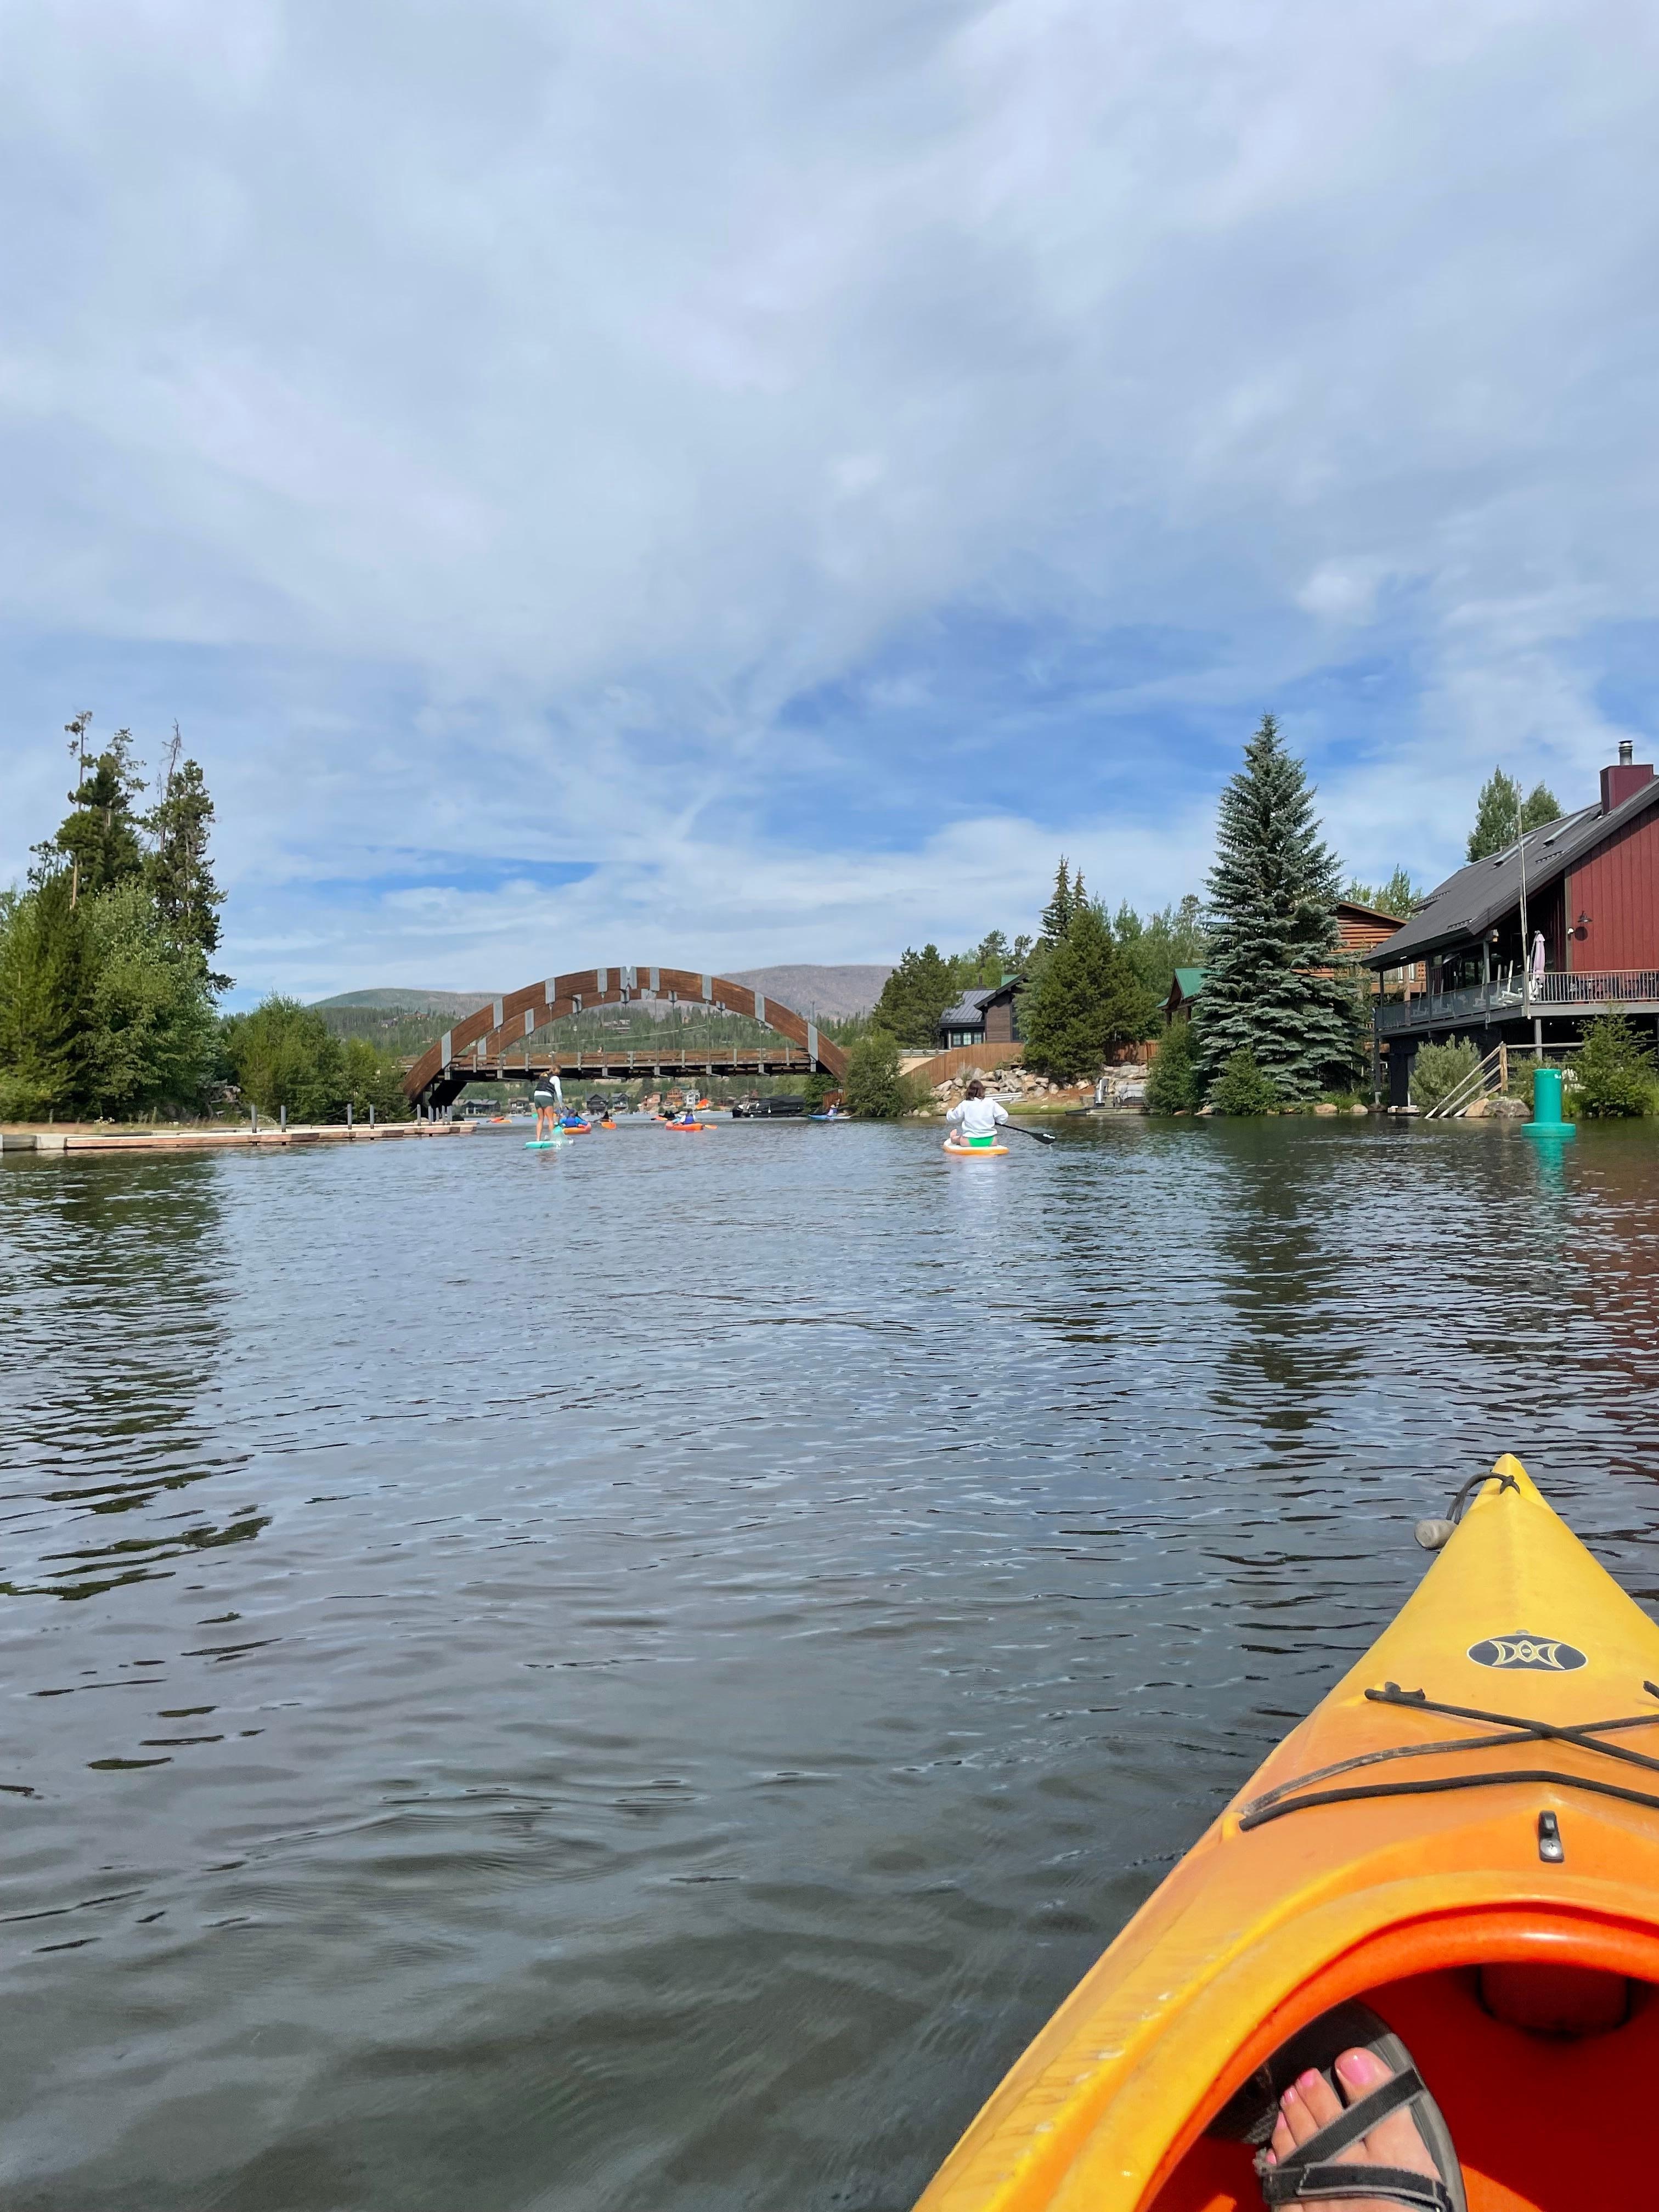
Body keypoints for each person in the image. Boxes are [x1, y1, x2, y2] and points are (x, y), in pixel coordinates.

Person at [945, 1080, 1009, 1148]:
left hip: (970, 1141)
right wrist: (997, 1121)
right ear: (982, 1091)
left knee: (959, 1139)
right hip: (991, 1141)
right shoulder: (990, 1102)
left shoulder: (965, 1104)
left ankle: (953, 1139)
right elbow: (1004, 1116)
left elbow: (953, 1119)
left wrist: (949, 1112)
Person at [531, 1076, 560, 1141]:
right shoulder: (556, 1078)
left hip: (536, 1096)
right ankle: (552, 1139)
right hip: (547, 1097)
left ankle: (538, 1139)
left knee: (540, 1119)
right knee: (550, 1120)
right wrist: (561, 1104)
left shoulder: (544, 1076)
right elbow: (559, 1093)